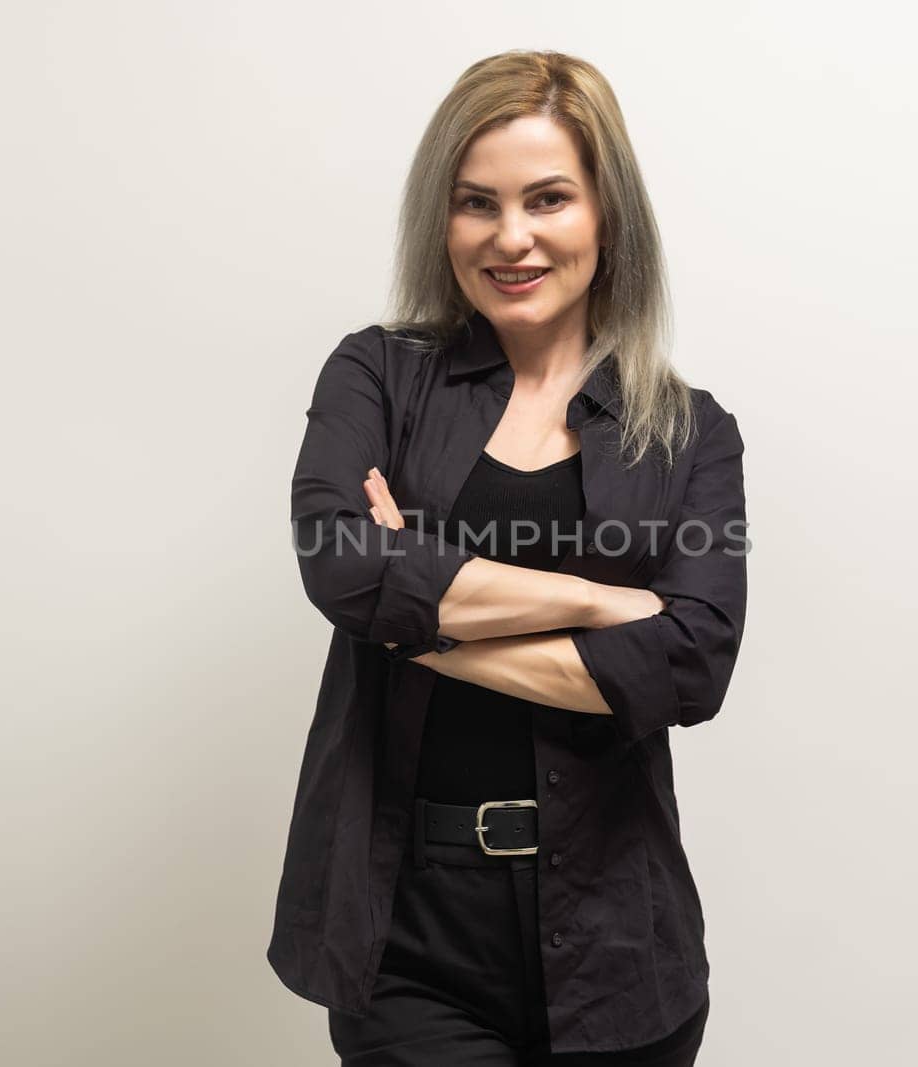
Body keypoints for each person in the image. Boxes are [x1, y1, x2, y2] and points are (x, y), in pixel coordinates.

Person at [272, 49, 748, 1065]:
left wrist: (420, 624)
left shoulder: (691, 434)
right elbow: (341, 564)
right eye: (476, 203)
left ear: (605, 214)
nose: (511, 235)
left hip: (624, 943)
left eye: (547, 198)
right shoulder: (377, 375)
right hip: (409, 933)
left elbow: (693, 662)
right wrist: (596, 599)